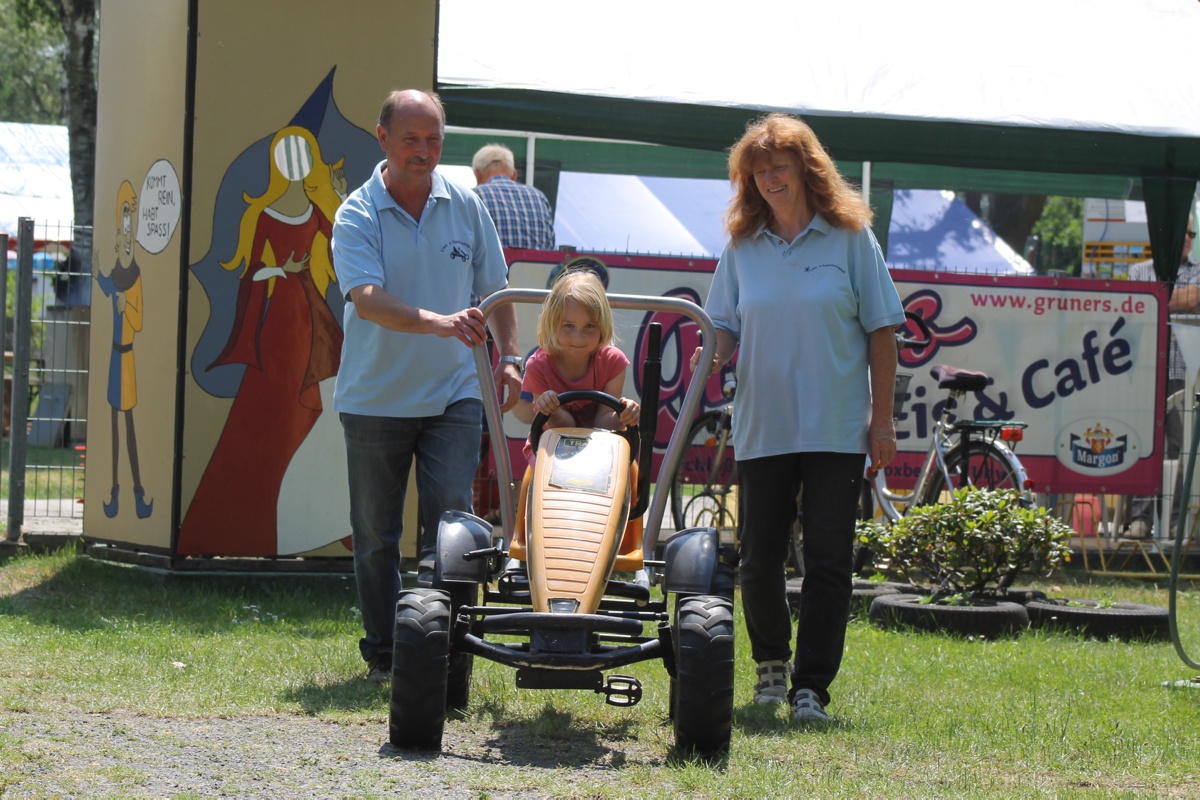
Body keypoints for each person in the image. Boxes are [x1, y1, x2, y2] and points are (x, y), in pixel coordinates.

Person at [694, 113, 904, 723]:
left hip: (837, 428)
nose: (767, 180)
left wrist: (882, 422)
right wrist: (708, 358)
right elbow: (724, 329)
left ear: (808, 169)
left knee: (830, 560)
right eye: (756, 172)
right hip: (763, 426)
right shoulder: (740, 247)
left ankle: (812, 685)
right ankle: (769, 669)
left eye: (777, 167)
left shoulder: (850, 237)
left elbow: (883, 331)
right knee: (757, 557)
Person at [331, 89, 522, 684]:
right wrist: (441, 322)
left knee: (455, 529)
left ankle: (448, 652)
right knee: (375, 538)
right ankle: (388, 652)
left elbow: (498, 290)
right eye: (411, 139)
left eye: (434, 139)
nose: (423, 151)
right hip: (373, 400)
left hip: (453, 394)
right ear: (382, 138)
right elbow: (368, 302)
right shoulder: (356, 213)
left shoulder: (466, 203)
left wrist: (511, 357)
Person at [179, 125, 345, 555]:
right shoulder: (265, 215)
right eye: (291, 155)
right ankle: (259, 518)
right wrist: (280, 270)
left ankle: (333, 513)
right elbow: (251, 272)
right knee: (273, 406)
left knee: (334, 402)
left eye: (304, 154)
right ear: (278, 162)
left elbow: (345, 245)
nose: (298, 164)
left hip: (315, 315)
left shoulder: (316, 210)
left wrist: (339, 200)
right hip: (283, 320)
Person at [512, 269, 640, 467]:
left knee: (628, 470)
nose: (578, 337)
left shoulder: (613, 362)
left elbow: (603, 423)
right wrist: (551, 410)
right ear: (552, 323)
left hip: (600, 448)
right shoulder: (537, 366)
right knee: (535, 480)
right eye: (568, 326)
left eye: (589, 326)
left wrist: (623, 415)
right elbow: (563, 427)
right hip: (551, 447)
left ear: (602, 325)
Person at [1126, 212, 1200, 539]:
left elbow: (1153, 305)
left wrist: (1158, 301)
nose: (1188, 238)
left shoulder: (1198, 271)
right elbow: (1133, 311)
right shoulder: (1139, 270)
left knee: (1179, 449)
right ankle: (1139, 519)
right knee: (1143, 444)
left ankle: (1172, 520)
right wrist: (1180, 300)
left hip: (1185, 372)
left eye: (1192, 234)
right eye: (1183, 232)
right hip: (1145, 371)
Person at [93, 180, 152, 520]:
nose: (123, 238)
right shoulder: (118, 271)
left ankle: (138, 493)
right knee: (115, 422)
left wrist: (124, 305)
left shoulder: (136, 275)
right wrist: (98, 274)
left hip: (126, 356)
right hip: (115, 356)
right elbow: (107, 288)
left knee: (129, 424)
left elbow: (139, 319)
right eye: (121, 227)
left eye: (127, 229)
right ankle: (114, 492)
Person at [471, 143, 556, 250]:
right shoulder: (540, 198)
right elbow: (550, 246)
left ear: (477, 174)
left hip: (492, 267)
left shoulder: (474, 197)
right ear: (514, 174)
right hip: (537, 266)